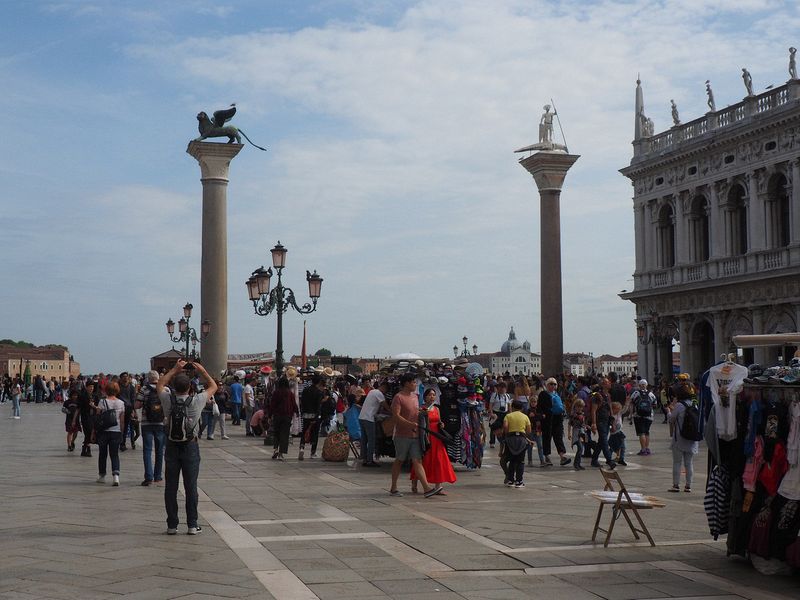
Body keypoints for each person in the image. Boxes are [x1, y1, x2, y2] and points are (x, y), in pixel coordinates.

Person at [157, 360, 217, 535]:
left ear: (174, 386)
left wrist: (174, 370)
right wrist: (203, 371)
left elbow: (160, 383)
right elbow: (213, 385)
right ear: (190, 386)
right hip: (190, 445)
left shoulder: (168, 399)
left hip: (172, 446)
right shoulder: (197, 400)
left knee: (171, 487)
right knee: (191, 486)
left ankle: (172, 525)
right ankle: (192, 524)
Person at [389, 373, 441, 498]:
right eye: (413, 382)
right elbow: (396, 416)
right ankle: (393, 487)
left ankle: (427, 488)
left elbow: (415, 411)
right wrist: (409, 424)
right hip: (402, 435)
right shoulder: (398, 397)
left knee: (417, 460)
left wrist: (421, 412)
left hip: (416, 435)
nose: (415, 384)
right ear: (406, 383)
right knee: (400, 460)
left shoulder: (415, 396)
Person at [410, 388, 457, 493]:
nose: (432, 397)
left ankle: (438, 486)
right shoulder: (421, 409)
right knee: (423, 460)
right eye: (430, 395)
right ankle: (415, 481)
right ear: (425, 397)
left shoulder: (436, 409)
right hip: (426, 437)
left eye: (433, 395)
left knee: (439, 460)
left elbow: (439, 421)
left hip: (436, 437)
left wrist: (442, 424)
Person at [135, 371, 166, 487]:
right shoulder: (164, 389)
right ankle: (158, 476)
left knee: (147, 450)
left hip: (146, 423)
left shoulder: (144, 389)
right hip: (160, 423)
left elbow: (137, 405)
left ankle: (148, 477)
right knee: (159, 450)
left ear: (148, 379)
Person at [668, 381, 699, 493]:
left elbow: (671, 419)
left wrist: (669, 410)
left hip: (679, 438)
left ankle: (676, 485)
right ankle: (688, 486)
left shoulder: (679, 406)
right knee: (689, 463)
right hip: (691, 438)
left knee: (677, 462)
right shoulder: (694, 404)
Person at [94, 380, 126, 486]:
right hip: (116, 431)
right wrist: (121, 432)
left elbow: (98, 417)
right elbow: (122, 420)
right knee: (114, 454)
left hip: (104, 431)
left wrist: (94, 430)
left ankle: (102, 476)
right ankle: (116, 476)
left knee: (102, 454)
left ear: (106, 390)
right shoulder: (121, 403)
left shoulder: (102, 402)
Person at [538, 377, 571, 466]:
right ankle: (547, 457)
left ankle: (562, 456)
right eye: (551, 384)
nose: (553, 386)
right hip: (547, 419)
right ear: (547, 385)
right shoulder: (543, 394)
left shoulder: (556, 394)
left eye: (554, 384)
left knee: (558, 437)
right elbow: (539, 407)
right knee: (547, 438)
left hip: (557, 418)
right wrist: (540, 417)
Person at [501, 399, 532, 488]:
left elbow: (505, 426)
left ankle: (511, 480)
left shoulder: (508, 416)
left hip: (510, 439)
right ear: (521, 408)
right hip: (521, 439)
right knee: (520, 461)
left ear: (513, 407)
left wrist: (508, 434)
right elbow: (529, 430)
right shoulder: (525, 417)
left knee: (512, 461)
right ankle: (519, 481)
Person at [360, 380, 388, 466]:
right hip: (369, 418)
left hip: (362, 417)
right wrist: (393, 413)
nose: (385, 392)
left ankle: (364, 459)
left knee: (364, 440)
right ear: (384, 387)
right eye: (386, 390)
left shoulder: (372, 391)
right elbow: (385, 405)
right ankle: (369, 460)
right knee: (371, 440)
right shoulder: (379, 393)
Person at [590, 378, 616, 469]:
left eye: (609, 382)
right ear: (603, 385)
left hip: (607, 420)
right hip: (600, 421)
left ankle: (594, 459)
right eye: (607, 382)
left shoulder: (608, 395)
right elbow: (593, 410)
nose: (609, 384)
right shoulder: (598, 396)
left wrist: (612, 422)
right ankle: (609, 460)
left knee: (601, 441)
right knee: (604, 441)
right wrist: (594, 423)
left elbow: (610, 409)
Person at [269, 376, 297, 460]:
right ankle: (281, 454)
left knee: (276, 433)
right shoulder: (290, 393)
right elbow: (294, 404)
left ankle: (275, 449)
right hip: (287, 416)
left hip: (277, 416)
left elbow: (272, 405)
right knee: (284, 435)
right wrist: (297, 412)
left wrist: (270, 415)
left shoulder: (276, 392)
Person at [298, 375, 325, 460]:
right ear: (318, 382)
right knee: (314, 433)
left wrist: (302, 412)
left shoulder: (305, 390)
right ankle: (312, 453)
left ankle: (302, 448)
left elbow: (302, 402)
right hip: (314, 415)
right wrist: (317, 416)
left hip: (305, 414)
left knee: (304, 432)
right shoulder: (319, 392)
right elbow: (318, 405)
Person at [631, 379, 656, 455]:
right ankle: (647, 449)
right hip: (649, 416)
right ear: (646, 385)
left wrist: (630, 414)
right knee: (647, 432)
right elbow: (655, 404)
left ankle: (643, 449)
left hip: (638, 415)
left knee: (641, 433)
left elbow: (631, 403)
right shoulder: (651, 394)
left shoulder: (636, 393)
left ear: (639, 385)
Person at [487, 381, 511, 449]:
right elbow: (490, 405)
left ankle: (503, 440)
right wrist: (491, 413)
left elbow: (509, 406)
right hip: (495, 413)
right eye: (500, 388)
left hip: (504, 413)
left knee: (504, 427)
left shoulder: (507, 396)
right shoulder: (494, 395)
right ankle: (492, 442)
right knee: (493, 427)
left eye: (503, 388)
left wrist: (510, 414)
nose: (502, 389)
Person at [526, 394, 545, 467]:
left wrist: (536, 416)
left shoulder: (539, 410)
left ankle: (542, 461)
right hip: (531, 430)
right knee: (530, 446)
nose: (533, 403)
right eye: (532, 402)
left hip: (538, 430)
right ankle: (530, 461)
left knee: (540, 446)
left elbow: (543, 416)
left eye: (535, 402)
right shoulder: (528, 411)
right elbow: (528, 418)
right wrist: (537, 417)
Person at [568, 397, 586, 471]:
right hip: (576, 432)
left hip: (581, 432)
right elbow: (569, 424)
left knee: (581, 449)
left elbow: (583, 424)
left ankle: (578, 463)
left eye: (581, 406)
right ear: (575, 406)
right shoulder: (573, 415)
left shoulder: (582, 414)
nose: (579, 408)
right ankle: (576, 464)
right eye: (578, 406)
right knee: (580, 448)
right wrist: (569, 433)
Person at [609, 401, 627, 466]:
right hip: (613, 434)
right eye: (616, 409)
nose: (618, 410)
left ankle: (621, 459)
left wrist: (627, 403)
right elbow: (610, 425)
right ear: (612, 409)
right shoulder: (611, 416)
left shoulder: (619, 414)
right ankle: (609, 458)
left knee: (623, 446)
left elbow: (624, 410)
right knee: (612, 447)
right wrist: (611, 427)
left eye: (619, 409)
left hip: (619, 433)